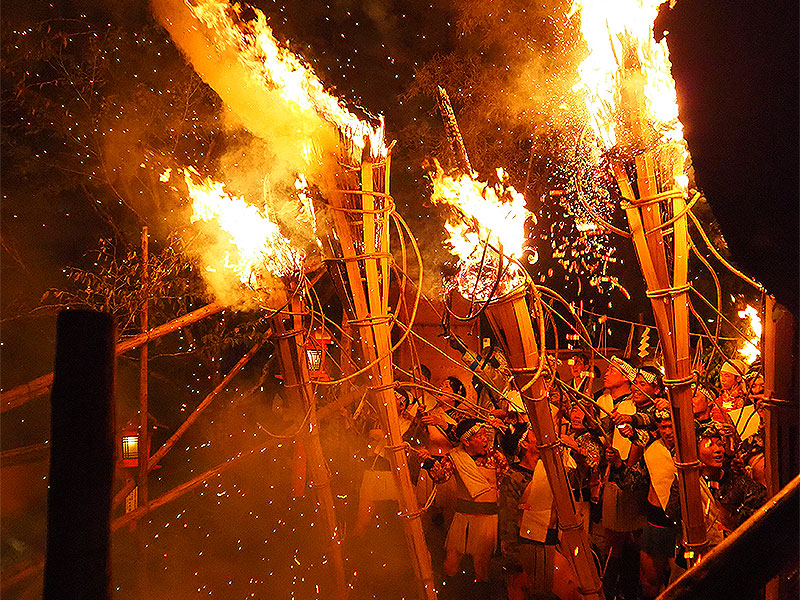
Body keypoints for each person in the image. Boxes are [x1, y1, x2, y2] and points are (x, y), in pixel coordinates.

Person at [422, 418, 509, 596]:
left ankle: (481, 595)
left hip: (487, 519)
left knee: (481, 566)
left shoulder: (496, 458)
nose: (485, 439)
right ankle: (449, 594)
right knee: (451, 563)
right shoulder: (454, 457)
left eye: (485, 435)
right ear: (466, 441)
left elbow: (505, 485)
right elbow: (441, 477)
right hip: (462, 518)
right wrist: (428, 462)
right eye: (479, 436)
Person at [606, 402, 680, 600]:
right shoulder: (652, 450)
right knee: (649, 580)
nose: (667, 431)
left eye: (671, 425)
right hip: (656, 522)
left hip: (681, 525)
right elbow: (635, 481)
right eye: (663, 427)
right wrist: (618, 463)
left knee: (680, 581)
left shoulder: (691, 448)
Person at [499, 426, 581, 600]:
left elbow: (581, 479)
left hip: (554, 545)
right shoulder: (514, 477)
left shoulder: (552, 469)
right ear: (524, 444)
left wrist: (577, 451)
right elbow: (508, 522)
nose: (541, 436)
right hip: (529, 549)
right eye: (534, 435)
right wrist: (515, 567)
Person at [667, 422, 767, 554]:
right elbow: (671, 514)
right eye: (709, 445)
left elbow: (760, 503)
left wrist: (735, 516)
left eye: (719, 444)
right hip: (697, 551)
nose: (718, 449)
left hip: (732, 551)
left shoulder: (736, 480)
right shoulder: (686, 483)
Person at [596, 356, 644, 600]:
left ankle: (623, 591)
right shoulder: (612, 403)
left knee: (622, 540)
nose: (606, 372)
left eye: (613, 369)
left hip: (625, 479)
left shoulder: (630, 408)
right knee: (614, 538)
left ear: (626, 376)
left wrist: (622, 468)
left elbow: (634, 448)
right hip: (612, 477)